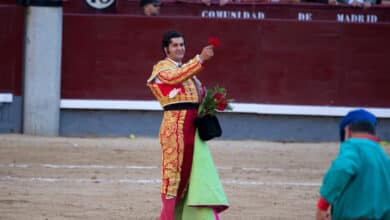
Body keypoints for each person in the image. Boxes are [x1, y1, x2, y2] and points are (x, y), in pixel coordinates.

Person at [146, 31, 214, 220]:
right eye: (175, 45)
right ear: (166, 49)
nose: (180, 48)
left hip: (192, 127)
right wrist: (200, 59)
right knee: (173, 175)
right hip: (174, 128)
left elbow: (196, 93)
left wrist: (211, 103)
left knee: (188, 175)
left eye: (182, 45)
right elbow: (175, 77)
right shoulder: (161, 69)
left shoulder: (189, 73)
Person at [316, 109, 390, 220]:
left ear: (347, 131)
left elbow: (342, 169)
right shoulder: (382, 156)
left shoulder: (353, 146)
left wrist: (322, 207)